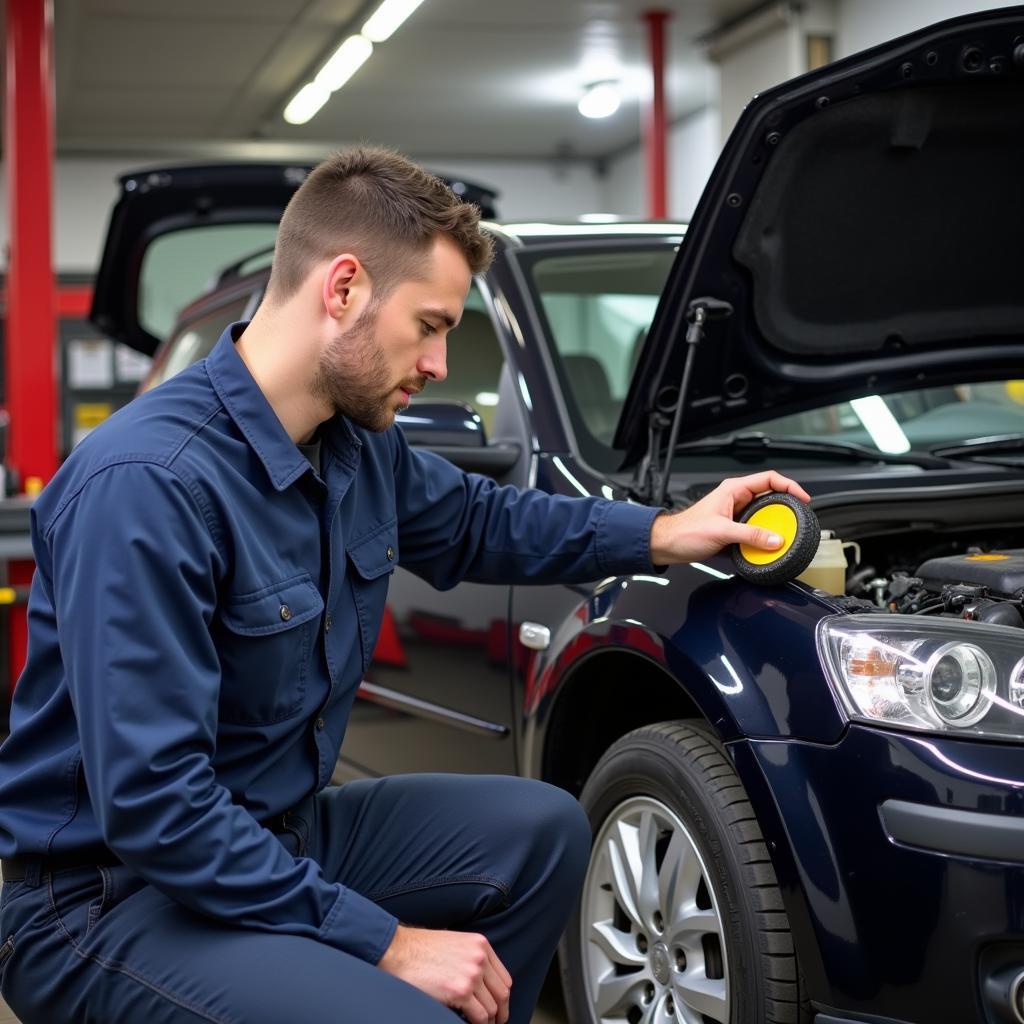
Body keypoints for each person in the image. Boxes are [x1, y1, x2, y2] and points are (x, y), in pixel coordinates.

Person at [0, 147, 810, 1024]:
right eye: (429, 325)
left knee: (541, 833)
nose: (436, 362)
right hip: (109, 899)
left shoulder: (352, 444)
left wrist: (664, 532)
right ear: (343, 288)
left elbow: (482, 521)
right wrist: (385, 943)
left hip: (282, 834)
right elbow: (158, 810)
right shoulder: (147, 485)